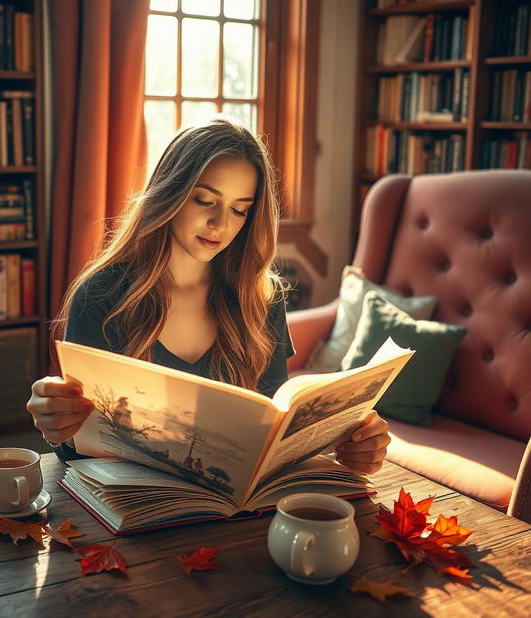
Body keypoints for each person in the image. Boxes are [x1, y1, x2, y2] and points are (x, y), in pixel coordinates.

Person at [26, 117, 390, 474]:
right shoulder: (102, 294)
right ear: (170, 193)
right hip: (135, 510)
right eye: (204, 200)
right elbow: (79, 451)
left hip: (235, 516)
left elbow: (272, 435)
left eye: (239, 209)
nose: (221, 224)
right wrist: (61, 425)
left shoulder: (261, 298)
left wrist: (349, 442)